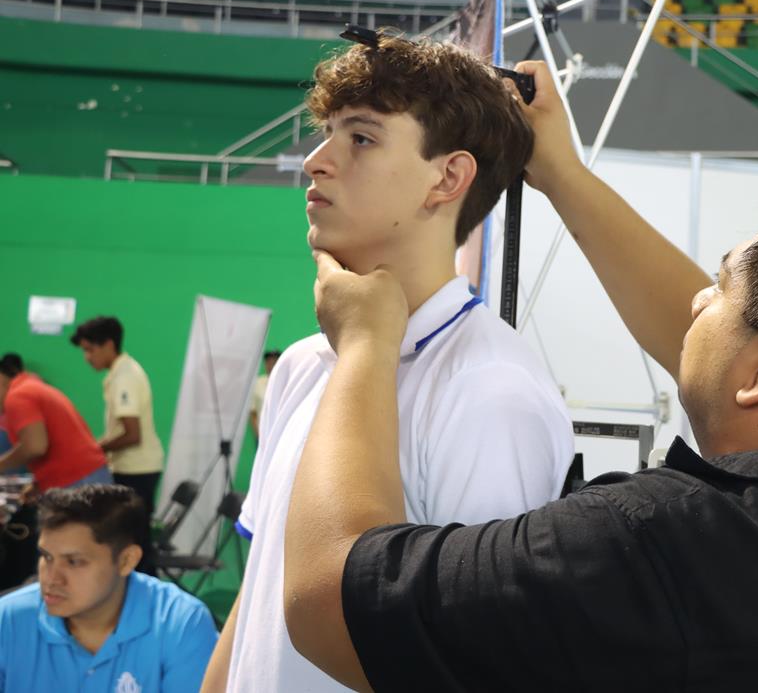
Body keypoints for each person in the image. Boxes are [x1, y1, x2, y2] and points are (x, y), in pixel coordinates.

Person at [281, 60, 758, 692]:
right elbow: (734, 350)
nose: (695, 301)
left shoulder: (645, 548)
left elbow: (325, 594)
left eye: (719, 288)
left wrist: (368, 347)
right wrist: (561, 173)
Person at [200, 35, 574, 692]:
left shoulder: (492, 393)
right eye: (327, 134)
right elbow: (256, 594)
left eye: (362, 138)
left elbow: (470, 658)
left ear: (448, 177)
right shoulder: (303, 361)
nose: (315, 162)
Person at [0, 484, 217, 691]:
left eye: (74, 561)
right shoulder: (8, 619)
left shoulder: (180, 624)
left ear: (126, 561)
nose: (51, 578)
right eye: (46, 556)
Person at [72, 316, 165, 576]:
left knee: (135, 542)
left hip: (136, 469)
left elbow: (132, 434)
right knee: (133, 538)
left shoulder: (125, 376)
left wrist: (95, 448)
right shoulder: (121, 372)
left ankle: (146, 604)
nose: (87, 357)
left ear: (109, 345)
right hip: (135, 467)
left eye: (90, 350)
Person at [0, 352, 110, 492]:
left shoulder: (18, 396)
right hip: (86, 475)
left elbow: (35, 447)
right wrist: (39, 483)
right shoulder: (31, 386)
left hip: (78, 481)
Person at [248, 349, 281, 440]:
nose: (271, 364)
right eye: (268, 361)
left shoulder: (287, 381)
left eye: (274, 361)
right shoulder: (257, 383)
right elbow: (252, 412)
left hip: (282, 434)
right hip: (263, 434)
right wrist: (258, 434)